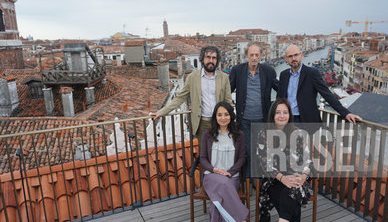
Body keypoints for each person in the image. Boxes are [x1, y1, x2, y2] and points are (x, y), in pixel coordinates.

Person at [256, 98, 314, 222]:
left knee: (294, 189)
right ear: (272, 115)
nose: (282, 116)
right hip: (273, 181)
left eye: (285, 112)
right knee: (293, 195)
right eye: (278, 112)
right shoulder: (263, 134)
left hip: (296, 178)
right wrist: (282, 177)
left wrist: (303, 175)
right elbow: (264, 163)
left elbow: (308, 161)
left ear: (290, 115)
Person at [200, 101, 255, 222]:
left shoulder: (239, 135)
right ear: (215, 117)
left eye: (226, 114)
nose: (223, 118)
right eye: (219, 115)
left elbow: (242, 158)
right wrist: (213, 169)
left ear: (231, 116)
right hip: (211, 177)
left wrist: (230, 172)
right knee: (222, 184)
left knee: (215, 204)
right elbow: (203, 158)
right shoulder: (207, 135)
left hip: (232, 178)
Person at [152, 46, 233, 144]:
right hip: (201, 123)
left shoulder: (224, 78)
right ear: (202, 59)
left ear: (217, 60)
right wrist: (162, 112)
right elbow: (180, 97)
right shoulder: (192, 77)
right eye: (208, 57)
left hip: (220, 122)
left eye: (214, 58)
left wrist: (229, 123)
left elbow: (228, 102)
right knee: (204, 154)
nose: (211, 60)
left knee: (221, 152)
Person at [277, 44, 361, 124]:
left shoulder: (312, 73)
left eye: (296, 55)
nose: (293, 58)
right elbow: (279, 99)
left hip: (306, 120)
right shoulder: (283, 75)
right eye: (290, 56)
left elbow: (327, 94)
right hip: (287, 119)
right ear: (286, 59)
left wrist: (346, 113)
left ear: (301, 56)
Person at [229, 43, 279, 174]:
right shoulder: (237, 70)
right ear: (246, 56)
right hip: (244, 120)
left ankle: (259, 182)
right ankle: (249, 181)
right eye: (251, 55)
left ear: (261, 56)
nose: (254, 58)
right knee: (247, 151)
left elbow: (280, 90)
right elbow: (227, 90)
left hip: (262, 120)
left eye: (257, 55)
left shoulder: (268, 71)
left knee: (261, 151)